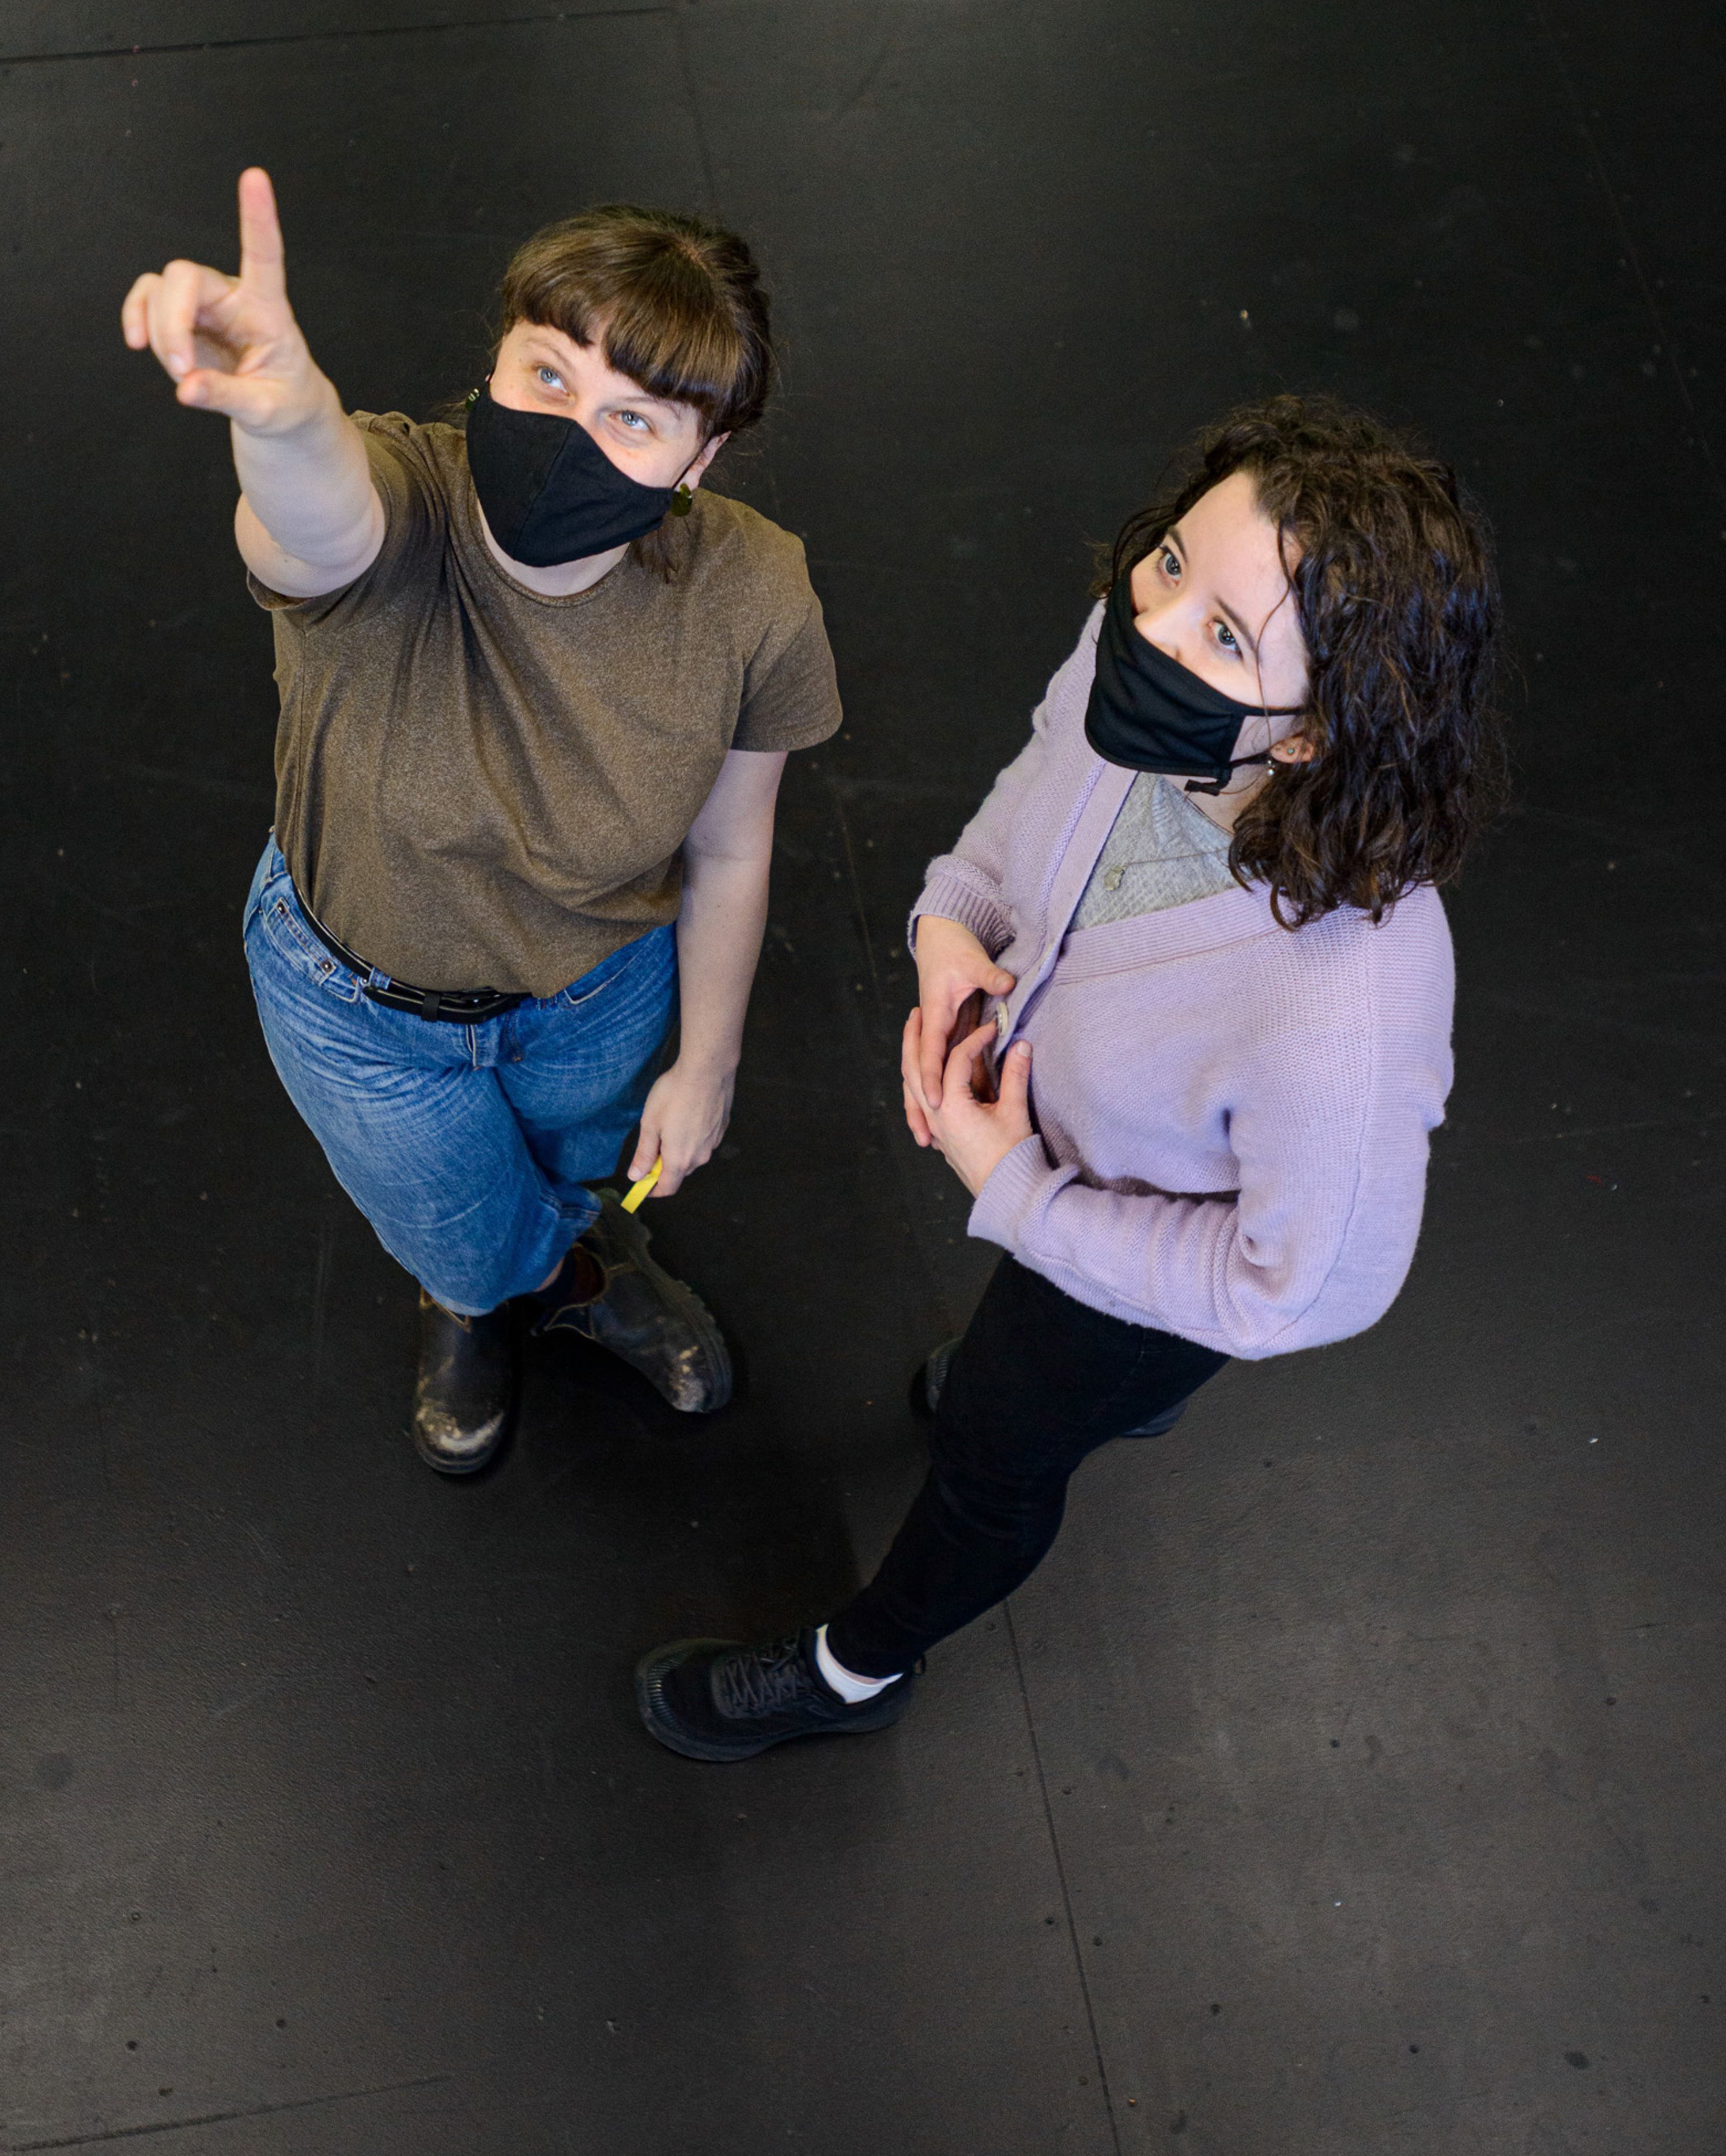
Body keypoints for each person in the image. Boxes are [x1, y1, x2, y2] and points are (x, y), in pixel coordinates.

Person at [636, 392, 1502, 1758]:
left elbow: (1303, 1289)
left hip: (1127, 1263)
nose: (1149, 625)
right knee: (1004, 1363)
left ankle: (860, 1670)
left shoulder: (1350, 1007)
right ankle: (1103, 1387)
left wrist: (1018, 1194)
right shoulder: (1138, 658)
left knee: (992, 1449)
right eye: (1171, 564)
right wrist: (947, 929)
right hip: (1059, 1163)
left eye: (1226, 637)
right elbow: (1033, 794)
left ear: (1311, 736)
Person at [122, 168, 840, 1475]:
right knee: (461, 1237)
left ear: (706, 456)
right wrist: (284, 422)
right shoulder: (408, 494)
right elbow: (316, 527)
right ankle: (498, 1297)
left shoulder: (755, 594)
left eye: (638, 418)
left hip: (601, 986)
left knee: (581, 1173)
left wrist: (711, 1057)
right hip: (364, 1011)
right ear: (496, 360)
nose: (575, 431)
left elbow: (733, 844)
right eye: (549, 375)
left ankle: (563, 1257)